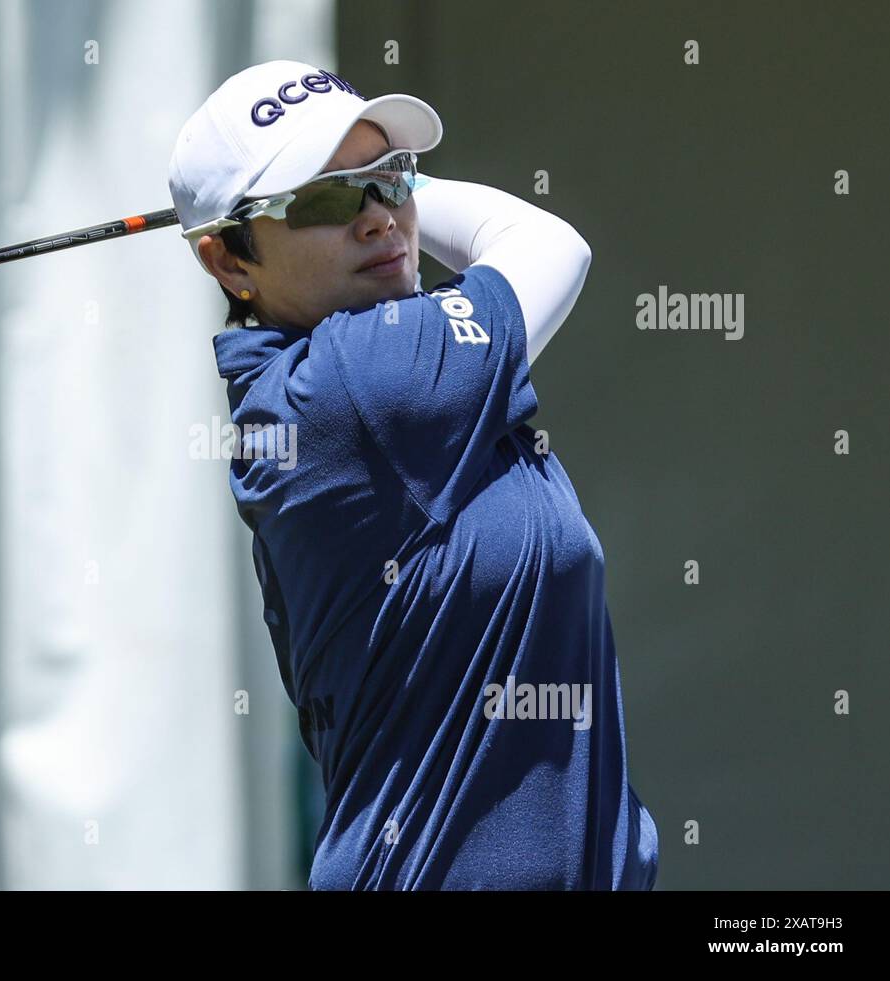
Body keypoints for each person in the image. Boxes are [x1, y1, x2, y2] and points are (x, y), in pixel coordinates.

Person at [168, 60, 659, 890]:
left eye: (390, 180)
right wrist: (401, 183)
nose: (379, 220)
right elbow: (549, 242)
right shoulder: (356, 386)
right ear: (228, 262)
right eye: (324, 199)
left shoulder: (356, 384)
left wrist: (377, 184)